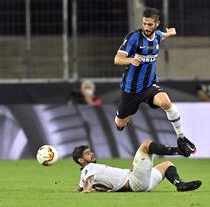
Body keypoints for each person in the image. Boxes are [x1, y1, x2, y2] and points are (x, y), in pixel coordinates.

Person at [113, 7, 196, 157]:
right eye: (144, 23)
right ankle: (128, 112)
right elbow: (117, 59)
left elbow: (161, 35)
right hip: (131, 89)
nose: (146, 27)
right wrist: (132, 60)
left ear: (157, 23)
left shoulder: (157, 35)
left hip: (149, 85)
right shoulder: (133, 37)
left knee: (166, 102)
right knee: (120, 124)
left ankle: (181, 137)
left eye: (150, 24)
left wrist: (170, 33)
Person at [73, 139, 202, 193]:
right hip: (134, 181)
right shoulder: (89, 168)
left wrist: (81, 189)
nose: (92, 153)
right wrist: (86, 190)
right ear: (81, 160)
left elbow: (81, 185)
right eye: (87, 153)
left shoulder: (83, 174)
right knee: (146, 144)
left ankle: (179, 184)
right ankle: (179, 151)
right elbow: (89, 180)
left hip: (140, 182)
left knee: (167, 165)